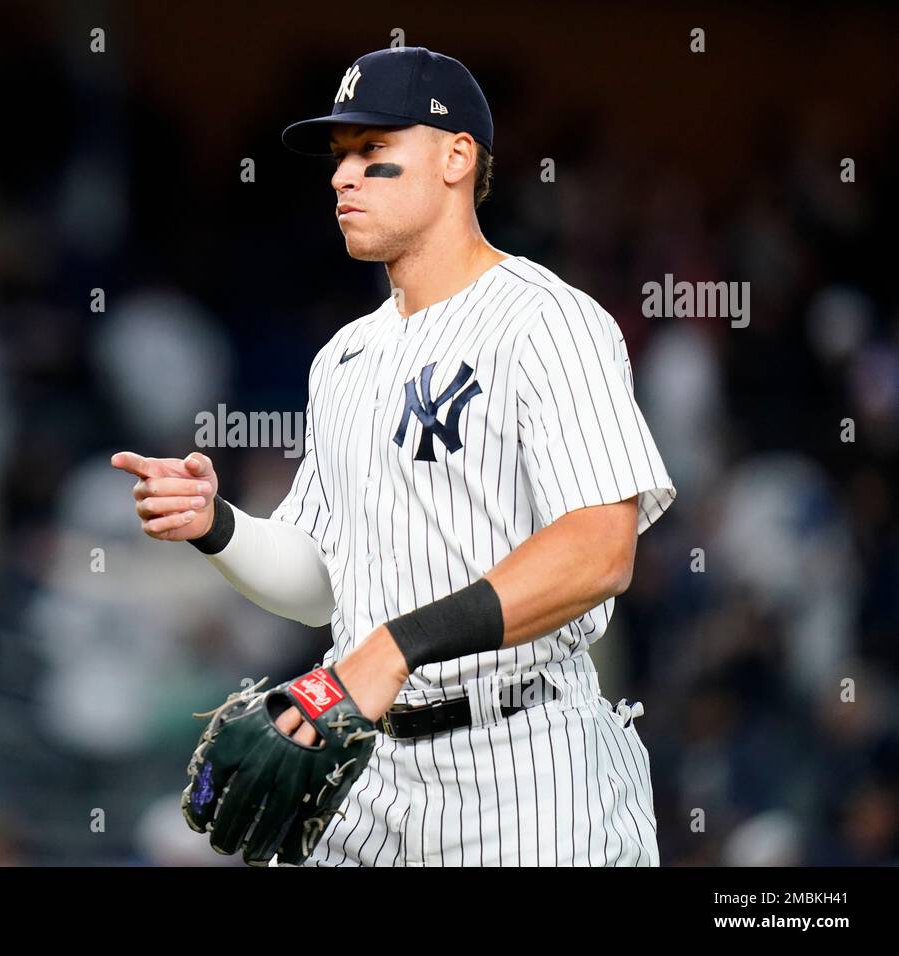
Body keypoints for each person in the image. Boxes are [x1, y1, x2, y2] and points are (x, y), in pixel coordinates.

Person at [112, 46, 676, 866]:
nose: (343, 178)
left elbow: (599, 550)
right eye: (340, 159)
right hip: (364, 768)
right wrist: (218, 525)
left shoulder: (547, 321)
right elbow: (318, 588)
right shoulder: (345, 356)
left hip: (523, 767)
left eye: (375, 154)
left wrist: (391, 648)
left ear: (457, 157)